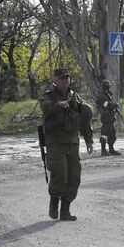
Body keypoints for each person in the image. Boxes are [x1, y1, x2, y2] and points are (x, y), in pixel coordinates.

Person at [40, 68, 94, 221]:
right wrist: (58, 105)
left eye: (67, 78)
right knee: (60, 174)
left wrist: (88, 140)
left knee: (74, 177)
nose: (65, 81)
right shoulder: (48, 95)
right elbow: (45, 106)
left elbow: (84, 119)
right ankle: (54, 203)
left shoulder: (74, 96)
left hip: (72, 142)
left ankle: (65, 210)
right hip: (55, 142)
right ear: (55, 80)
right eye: (62, 78)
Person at [96, 80, 121, 156]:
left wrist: (114, 106)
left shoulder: (108, 94)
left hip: (110, 117)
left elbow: (110, 103)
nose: (109, 87)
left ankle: (111, 149)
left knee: (112, 134)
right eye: (108, 85)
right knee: (104, 134)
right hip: (106, 117)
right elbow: (106, 105)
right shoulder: (101, 95)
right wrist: (115, 105)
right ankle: (103, 151)